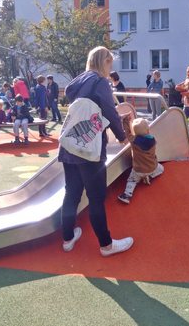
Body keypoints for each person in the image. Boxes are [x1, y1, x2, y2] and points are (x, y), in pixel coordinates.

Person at [58, 46, 133, 257]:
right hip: (89, 148)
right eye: (110, 64)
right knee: (96, 197)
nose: (110, 69)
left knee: (71, 193)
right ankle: (106, 245)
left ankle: (67, 238)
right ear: (104, 62)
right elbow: (110, 111)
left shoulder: (78, 82)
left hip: (69, 145)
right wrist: (121, 136)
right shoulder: (100, 82)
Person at [118, 114, 164, 204]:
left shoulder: (133, 140)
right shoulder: (153, 140)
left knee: (132, 180)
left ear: (134, 132)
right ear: (148, 130)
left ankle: (127, 196)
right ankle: (149, 176)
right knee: (161, 168)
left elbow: (127, 132)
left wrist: (126, 121)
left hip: (138, 170)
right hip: (152, 167)